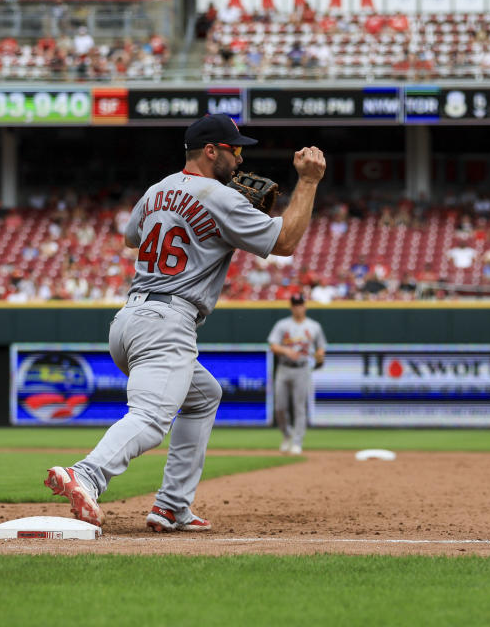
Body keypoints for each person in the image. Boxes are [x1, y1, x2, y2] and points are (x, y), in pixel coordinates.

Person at [44, 114, 326, 532]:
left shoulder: (159, 188)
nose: (241, 157)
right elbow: (284, 242)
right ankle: (87, 474)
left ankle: (172, 506)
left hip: (128, 322)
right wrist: (308, 182)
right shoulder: (220, 197)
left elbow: (131, 236)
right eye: (235, 149)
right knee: (151, 418)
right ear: (211, 151)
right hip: (166, 321)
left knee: (202, 395)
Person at [267, 294, 327, 455]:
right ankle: (287, 435)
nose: (298, 307)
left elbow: (321, 347)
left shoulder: (314, 326)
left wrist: (320, 355)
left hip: (302, 368)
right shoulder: (283, 325)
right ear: (291, 307)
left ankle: (297, 442)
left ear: (305, 306)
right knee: (279, 407)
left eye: (300, 304)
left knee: (299, 407)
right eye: (295, 304)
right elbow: (273, 345)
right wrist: (287, 350)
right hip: (284, 367)